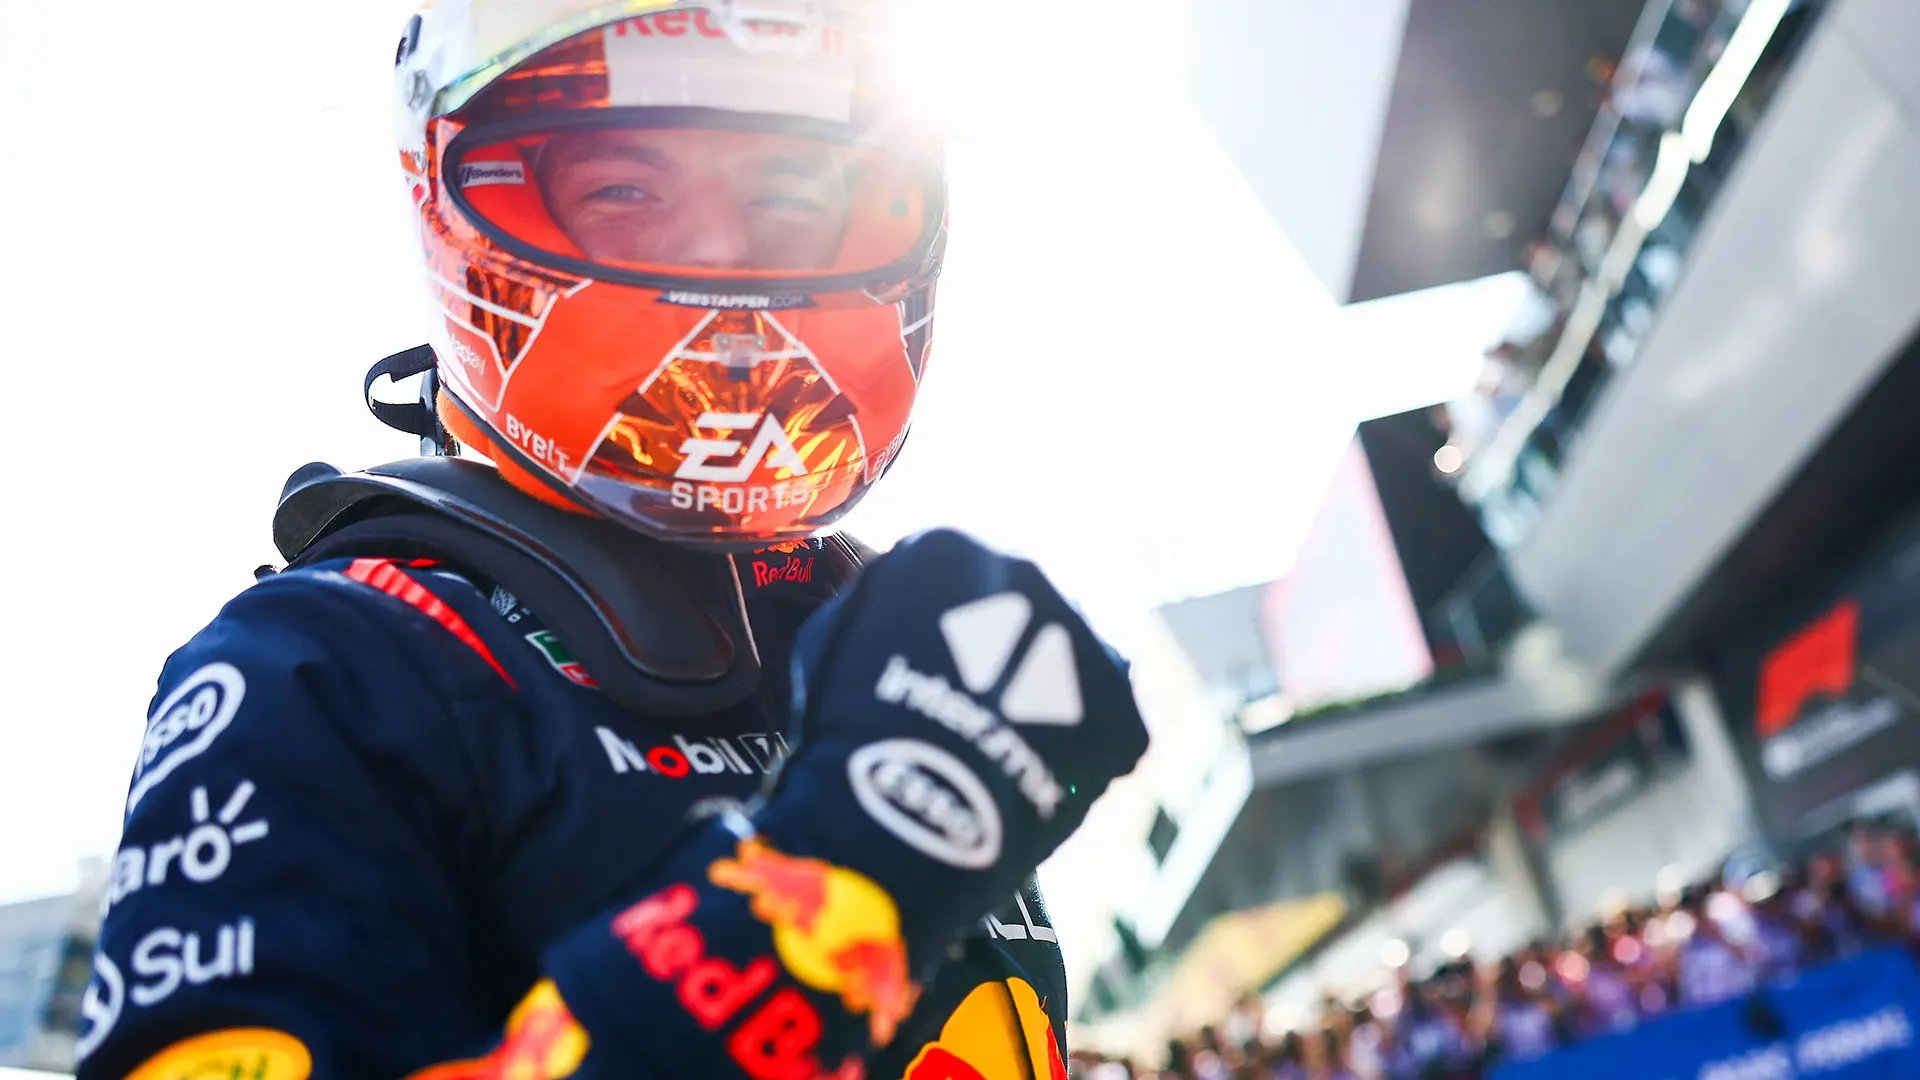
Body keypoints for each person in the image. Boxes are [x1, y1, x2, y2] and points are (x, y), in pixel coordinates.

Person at [72, 3, 1149, 1079]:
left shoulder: (861, 630)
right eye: (625, 191)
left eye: (788, 194)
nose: (723, 248)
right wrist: (815, 904)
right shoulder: (329, 668)